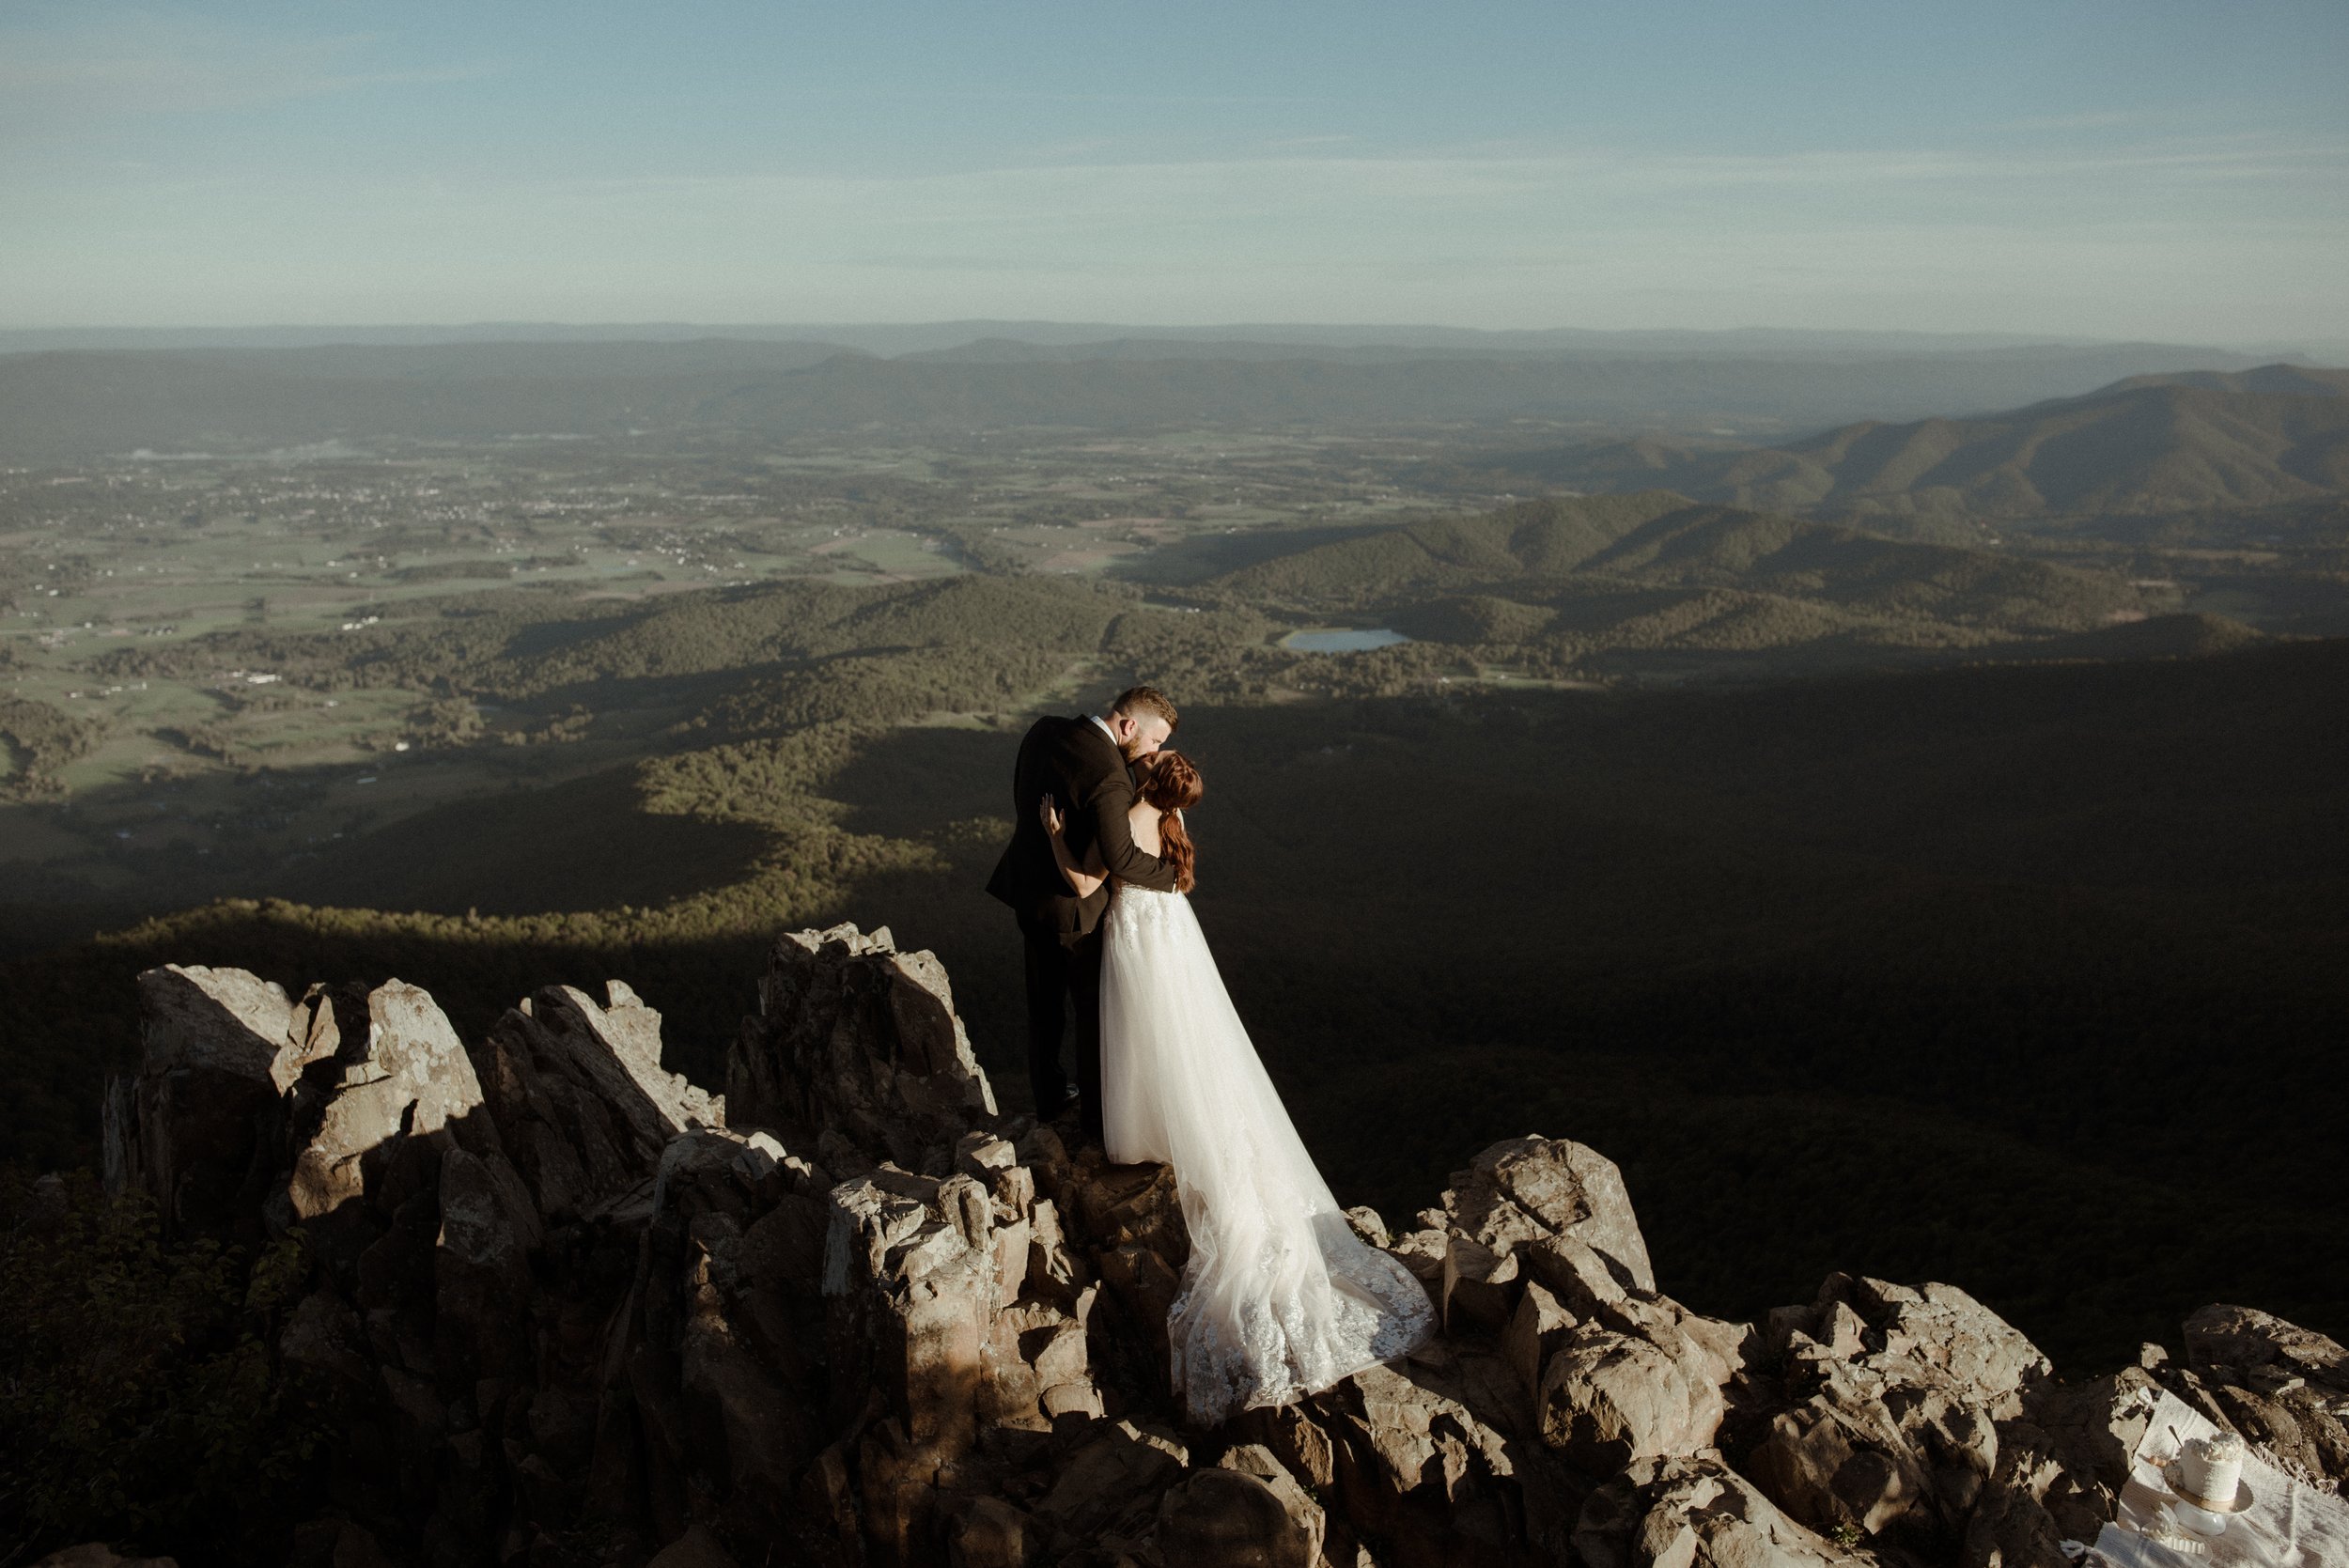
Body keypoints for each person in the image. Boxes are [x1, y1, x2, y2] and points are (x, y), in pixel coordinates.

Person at [1038, 748, 1437, 1425]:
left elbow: (1083, 887)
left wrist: (1053, 835)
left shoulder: (1128, 815)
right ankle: (1186, 1124)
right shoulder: (1169, 828)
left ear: (1150, 780)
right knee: (1190, 1043)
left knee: (1147, 1036)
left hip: (1137, 941)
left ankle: (1147, 1128)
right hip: (1173, 938)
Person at [985, 686, 1182, 1141]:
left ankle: (1050, 1098)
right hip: (1076, 914)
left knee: (1044, 1006)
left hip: (1027, 893)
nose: (1154, 751)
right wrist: (1171, 876)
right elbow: (1121, 856)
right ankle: (1096, 1124)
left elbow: (1021, 794)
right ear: (1130, 726)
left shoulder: (1044, 730)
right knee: (1095, 1017)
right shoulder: (1110, 775)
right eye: (1154, 740)